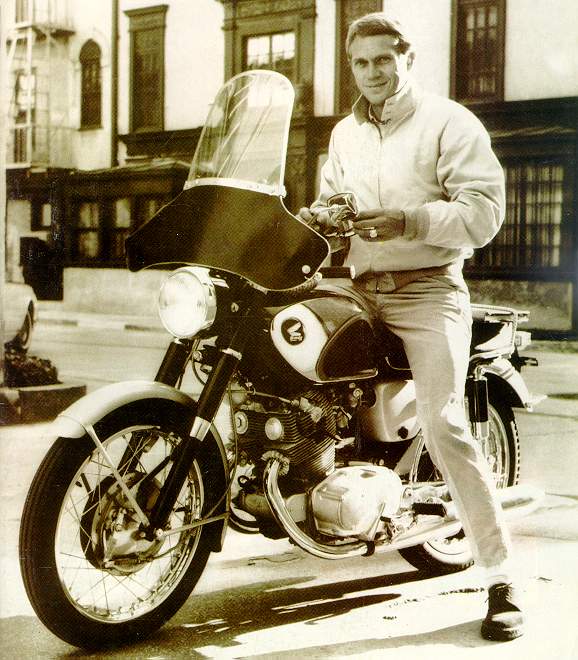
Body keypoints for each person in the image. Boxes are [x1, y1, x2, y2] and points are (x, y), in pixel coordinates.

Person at [298, 12, 523, 642]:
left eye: (382, 60)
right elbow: (336, 198)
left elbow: (484, 212)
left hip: (428, 289)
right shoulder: (344, 133)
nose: (372, 72)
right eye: (361, 63)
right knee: (286, 371)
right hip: (357, 286)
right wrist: (325, 215)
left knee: (445, 421)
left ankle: (502, 576)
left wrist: (408, 222)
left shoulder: (449, 121)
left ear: (407, 58)